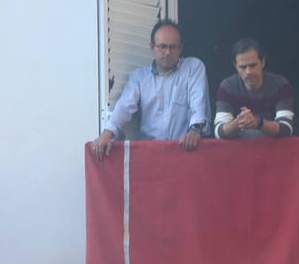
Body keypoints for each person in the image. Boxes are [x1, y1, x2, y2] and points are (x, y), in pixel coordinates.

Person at [89, 19, 209, 159]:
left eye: (173, 47)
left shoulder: (193, 68)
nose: (167, 52)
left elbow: (198, 103)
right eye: (162, 46)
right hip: (150, 156)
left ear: (180, 48)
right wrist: (106, 134)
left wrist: (195, 130)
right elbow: (124, 107)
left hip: (185, 153)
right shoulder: (139, 78)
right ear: (152, 47)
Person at [213, 38, 295, 139]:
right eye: (243, 67)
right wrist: (239, 122)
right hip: (238, 148)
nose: (248, 72)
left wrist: (258, 122)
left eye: (253, 65)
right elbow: (218, 132)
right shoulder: (227, 87)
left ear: (263, 62)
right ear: (235, 66)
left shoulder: (280, 85)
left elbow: (287, 129)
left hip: (273, 147)